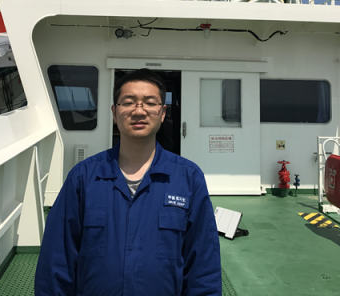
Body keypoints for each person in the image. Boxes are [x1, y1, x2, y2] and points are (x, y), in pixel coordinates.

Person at [35, 68, 221, 295]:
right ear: (115, 112)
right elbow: (56, 260)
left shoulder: (188, 178)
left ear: (162, 113)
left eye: (150, 103)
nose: (139, 111)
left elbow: (203, 265)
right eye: (129, 102)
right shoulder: (83, 177)